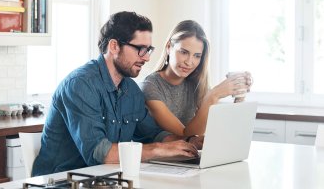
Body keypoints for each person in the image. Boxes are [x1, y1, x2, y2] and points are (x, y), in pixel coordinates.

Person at [31, 12, 200, 176]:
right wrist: (158, 149)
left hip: (104, 178)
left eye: (148, 50)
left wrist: (190, 142)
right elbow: (100, 153)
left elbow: (152, 134)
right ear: (114, 46)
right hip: (59, 181)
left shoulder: (131, 90)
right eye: (140, 49)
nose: (146, 58)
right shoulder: (80, 85)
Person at [139, 20, 252, 137]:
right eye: (183, 52)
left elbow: (218, 129)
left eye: (197, 56)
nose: (189, 62)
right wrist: (213, 95)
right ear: (169, 47)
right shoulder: (150, 86)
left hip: (191, 154)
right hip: (161, 154)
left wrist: (239, 92)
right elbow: (186, 135)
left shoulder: (196, 84)